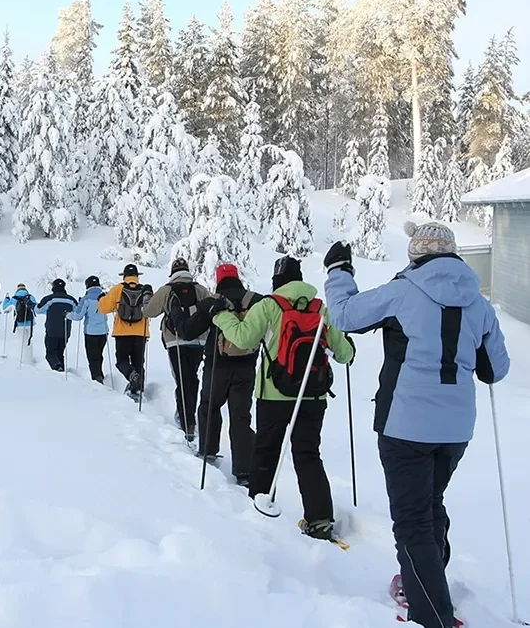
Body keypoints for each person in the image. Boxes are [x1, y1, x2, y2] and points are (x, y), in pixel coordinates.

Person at [323, 222, 510, 628]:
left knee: (412, 522)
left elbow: (343, 316)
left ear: (416, 254)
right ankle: (424, 583)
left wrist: (339, 272)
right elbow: (496, 370)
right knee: (429, 505)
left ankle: (433, 616)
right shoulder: (478, 303)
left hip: (405, 425)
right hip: (456, 429)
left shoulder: (404, 289)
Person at [211, 256, 354, 541]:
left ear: (277, 282)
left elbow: (242, 338)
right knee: (309, 455)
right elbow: (345, 354)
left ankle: (258, 509)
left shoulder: (269, 305)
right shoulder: (320, 309)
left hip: (274, 394)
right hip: (313, 396)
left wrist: (219, 316)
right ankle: (320, 519)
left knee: (267, 450)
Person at [170, 263, 263, 485]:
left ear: (218, 279)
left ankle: (208, 452)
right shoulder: (256, 301)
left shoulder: (212, 303)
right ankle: (244, 471)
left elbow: (188, 331)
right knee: (241, 416)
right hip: (247, 367)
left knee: (209, 407)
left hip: (217, 365)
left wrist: (177, 314)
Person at [143, 257, 211, 442]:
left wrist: (146, 297)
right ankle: (190, 417)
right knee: (192, 377)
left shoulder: (167, 290)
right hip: (199, 341)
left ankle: (186, 420)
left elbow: (149, 312)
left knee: (182, 380)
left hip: (175, 342)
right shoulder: (199, 289)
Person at [98, 264, 152, 401]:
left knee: (122, 360)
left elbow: (104, 308)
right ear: (137, 276)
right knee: (139, 362)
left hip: (122, 333)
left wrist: (101, 299)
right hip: (141, 333)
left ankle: (131, 375)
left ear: (124, 276)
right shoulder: (145, 291)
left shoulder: (118, 289)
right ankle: (138, 389)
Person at [68, 275, 109, 383]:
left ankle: (96, 378)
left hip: (90, 332)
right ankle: (100, 374)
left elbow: (78, 316)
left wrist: (67, 315)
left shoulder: (86, 299)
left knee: (92, 357)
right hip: (104, 332)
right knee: (99, 355)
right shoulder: (105, 297)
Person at [36, 279, 79, 372]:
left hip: (52, 331)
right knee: (60, 353)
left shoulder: (50, 299)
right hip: (65, 331)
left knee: (50, 354)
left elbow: (38, 310)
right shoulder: (71, 299)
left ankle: (57, 368)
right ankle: (61, 371)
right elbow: (77, 312)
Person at [1, 284, 37, 364]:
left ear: (17, 290)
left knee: (22, 341)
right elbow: (36, 307)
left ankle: (24, 360)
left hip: (19, 323)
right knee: (29, 340)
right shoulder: (30, 297)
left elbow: (5, 308)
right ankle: (30, 359)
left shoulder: (14, 299)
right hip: (30, 323)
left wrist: (6, 299)